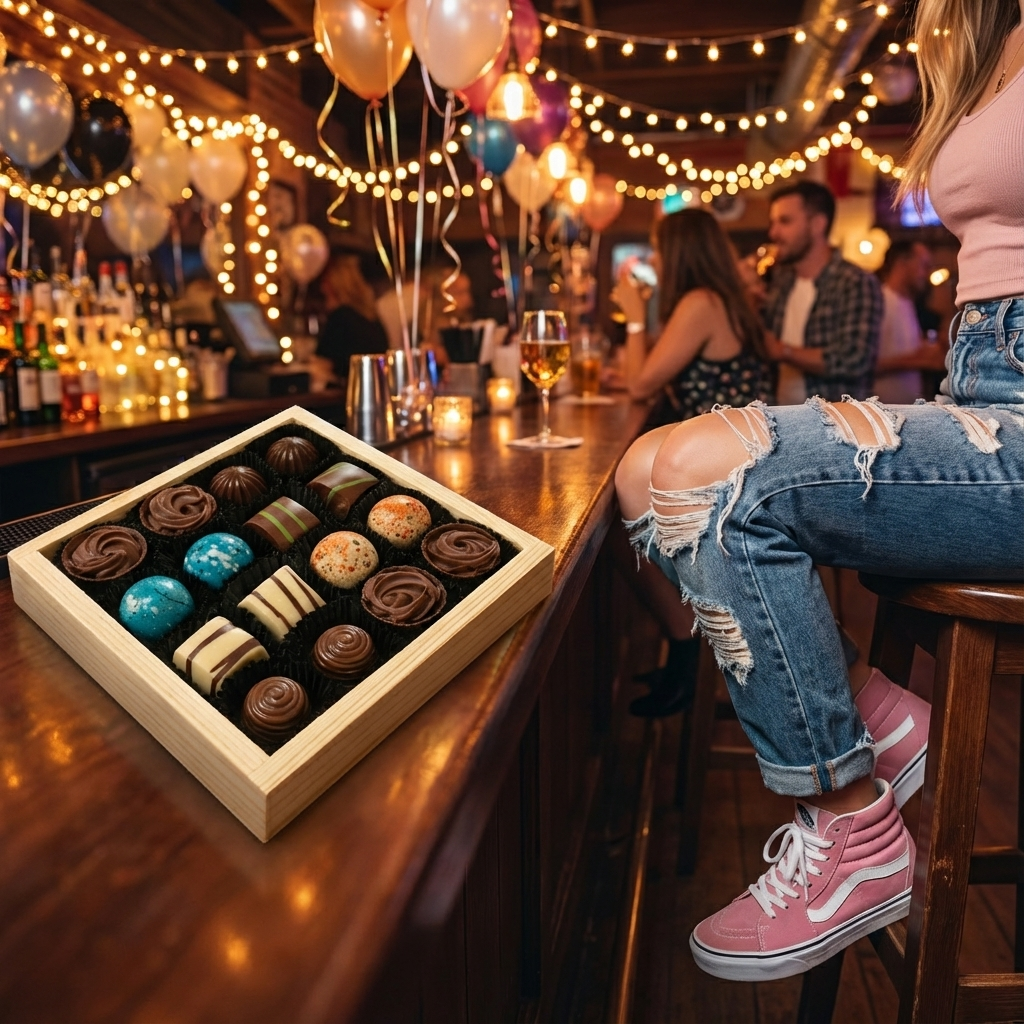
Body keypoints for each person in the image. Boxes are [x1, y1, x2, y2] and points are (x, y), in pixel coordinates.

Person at [614, 0, 1024, 983]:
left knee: (713, 479)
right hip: (979, 388)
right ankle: (870, 707)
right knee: (641, 472)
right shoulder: (989, 36)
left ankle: (853, 828)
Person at [610, 208, 773, 717]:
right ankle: (683, 645)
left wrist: (634, 315)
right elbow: (645, 374)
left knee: (613, 528)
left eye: (659, 249)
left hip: (724, 471)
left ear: (680, 251)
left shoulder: (701, 303)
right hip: (730, 455)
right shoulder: (715, 299)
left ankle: (684, 647)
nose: (655, 260)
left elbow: (640, 383)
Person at [762, 180, 883, 403]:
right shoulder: (780, 281)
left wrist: (783, 351)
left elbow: (855, 359)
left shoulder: (854, 281)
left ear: (817, 224)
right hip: (780, 420)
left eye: (785, 221)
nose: (774, 233)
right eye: (773, 223)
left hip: (833, 427)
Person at [875, 240, 945, 403]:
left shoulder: (908, 302)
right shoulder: (880, 300)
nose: (927, 273)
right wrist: (919, 360)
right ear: (902, 262)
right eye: (924, 265)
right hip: (883, 412)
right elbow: (864, 365)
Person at [314, 253, 388, 381]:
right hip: (377, 389)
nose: (322, 287)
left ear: (333, 285)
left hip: (349, 393)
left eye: (325, 281)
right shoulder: (372, 317)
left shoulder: (341, 316)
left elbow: (322, 362)